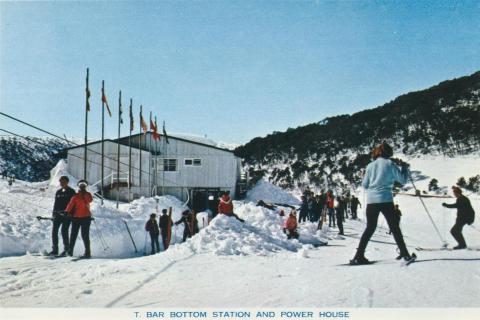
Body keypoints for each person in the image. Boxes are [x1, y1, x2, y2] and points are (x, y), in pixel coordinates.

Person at [351, 142, 414, 265]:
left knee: (370, 228)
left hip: (371, 201)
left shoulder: (370, 166)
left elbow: (364, 185)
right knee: (394, 227)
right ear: (388, 153)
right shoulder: (390, 164)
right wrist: (405, 168)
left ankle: (358, 256)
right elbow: (402, 180)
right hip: (386, 200)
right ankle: (404, 254)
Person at [49, 176, 76, 256]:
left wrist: (71, 214)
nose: (62, 183)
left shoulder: (71, 191)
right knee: (54, 232)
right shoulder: (58, 192)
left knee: (64, 231)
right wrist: (53, 213)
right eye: (60, 182)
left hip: (67, 215)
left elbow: (74, 204)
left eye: (63, 182)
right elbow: (55, 203)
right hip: (57, 215)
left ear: (67, 182)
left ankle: (66, 249)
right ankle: (55, 249)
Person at [65, 180, 93, 258]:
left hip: (86, 218)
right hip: (76, 218)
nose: (82, 187)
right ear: (78, 187)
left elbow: (90, 200)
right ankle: (70, 252)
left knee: (85, 235)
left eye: (83, 186)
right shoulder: (75, 196)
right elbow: (70, 204)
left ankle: (87, 253)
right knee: (73, 235)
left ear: (85, 187)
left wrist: (84, 194)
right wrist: (67, 211)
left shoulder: (88, 194)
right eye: (81, 186)